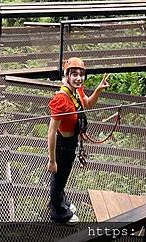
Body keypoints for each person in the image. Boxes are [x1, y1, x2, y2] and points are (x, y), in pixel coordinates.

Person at [47, 57, 109, 224]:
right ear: (67, 76)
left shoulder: (77, 91)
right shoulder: (62, 99)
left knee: (63, 177)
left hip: (71, 143)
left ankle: (59, 202)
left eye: (81, 74)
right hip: (62, 146)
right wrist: (52, 160)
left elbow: (87, 104)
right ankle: (58, 213)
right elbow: (51, 132)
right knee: (58, 179)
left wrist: (98, 90)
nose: (79, 78)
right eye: (74, 74)